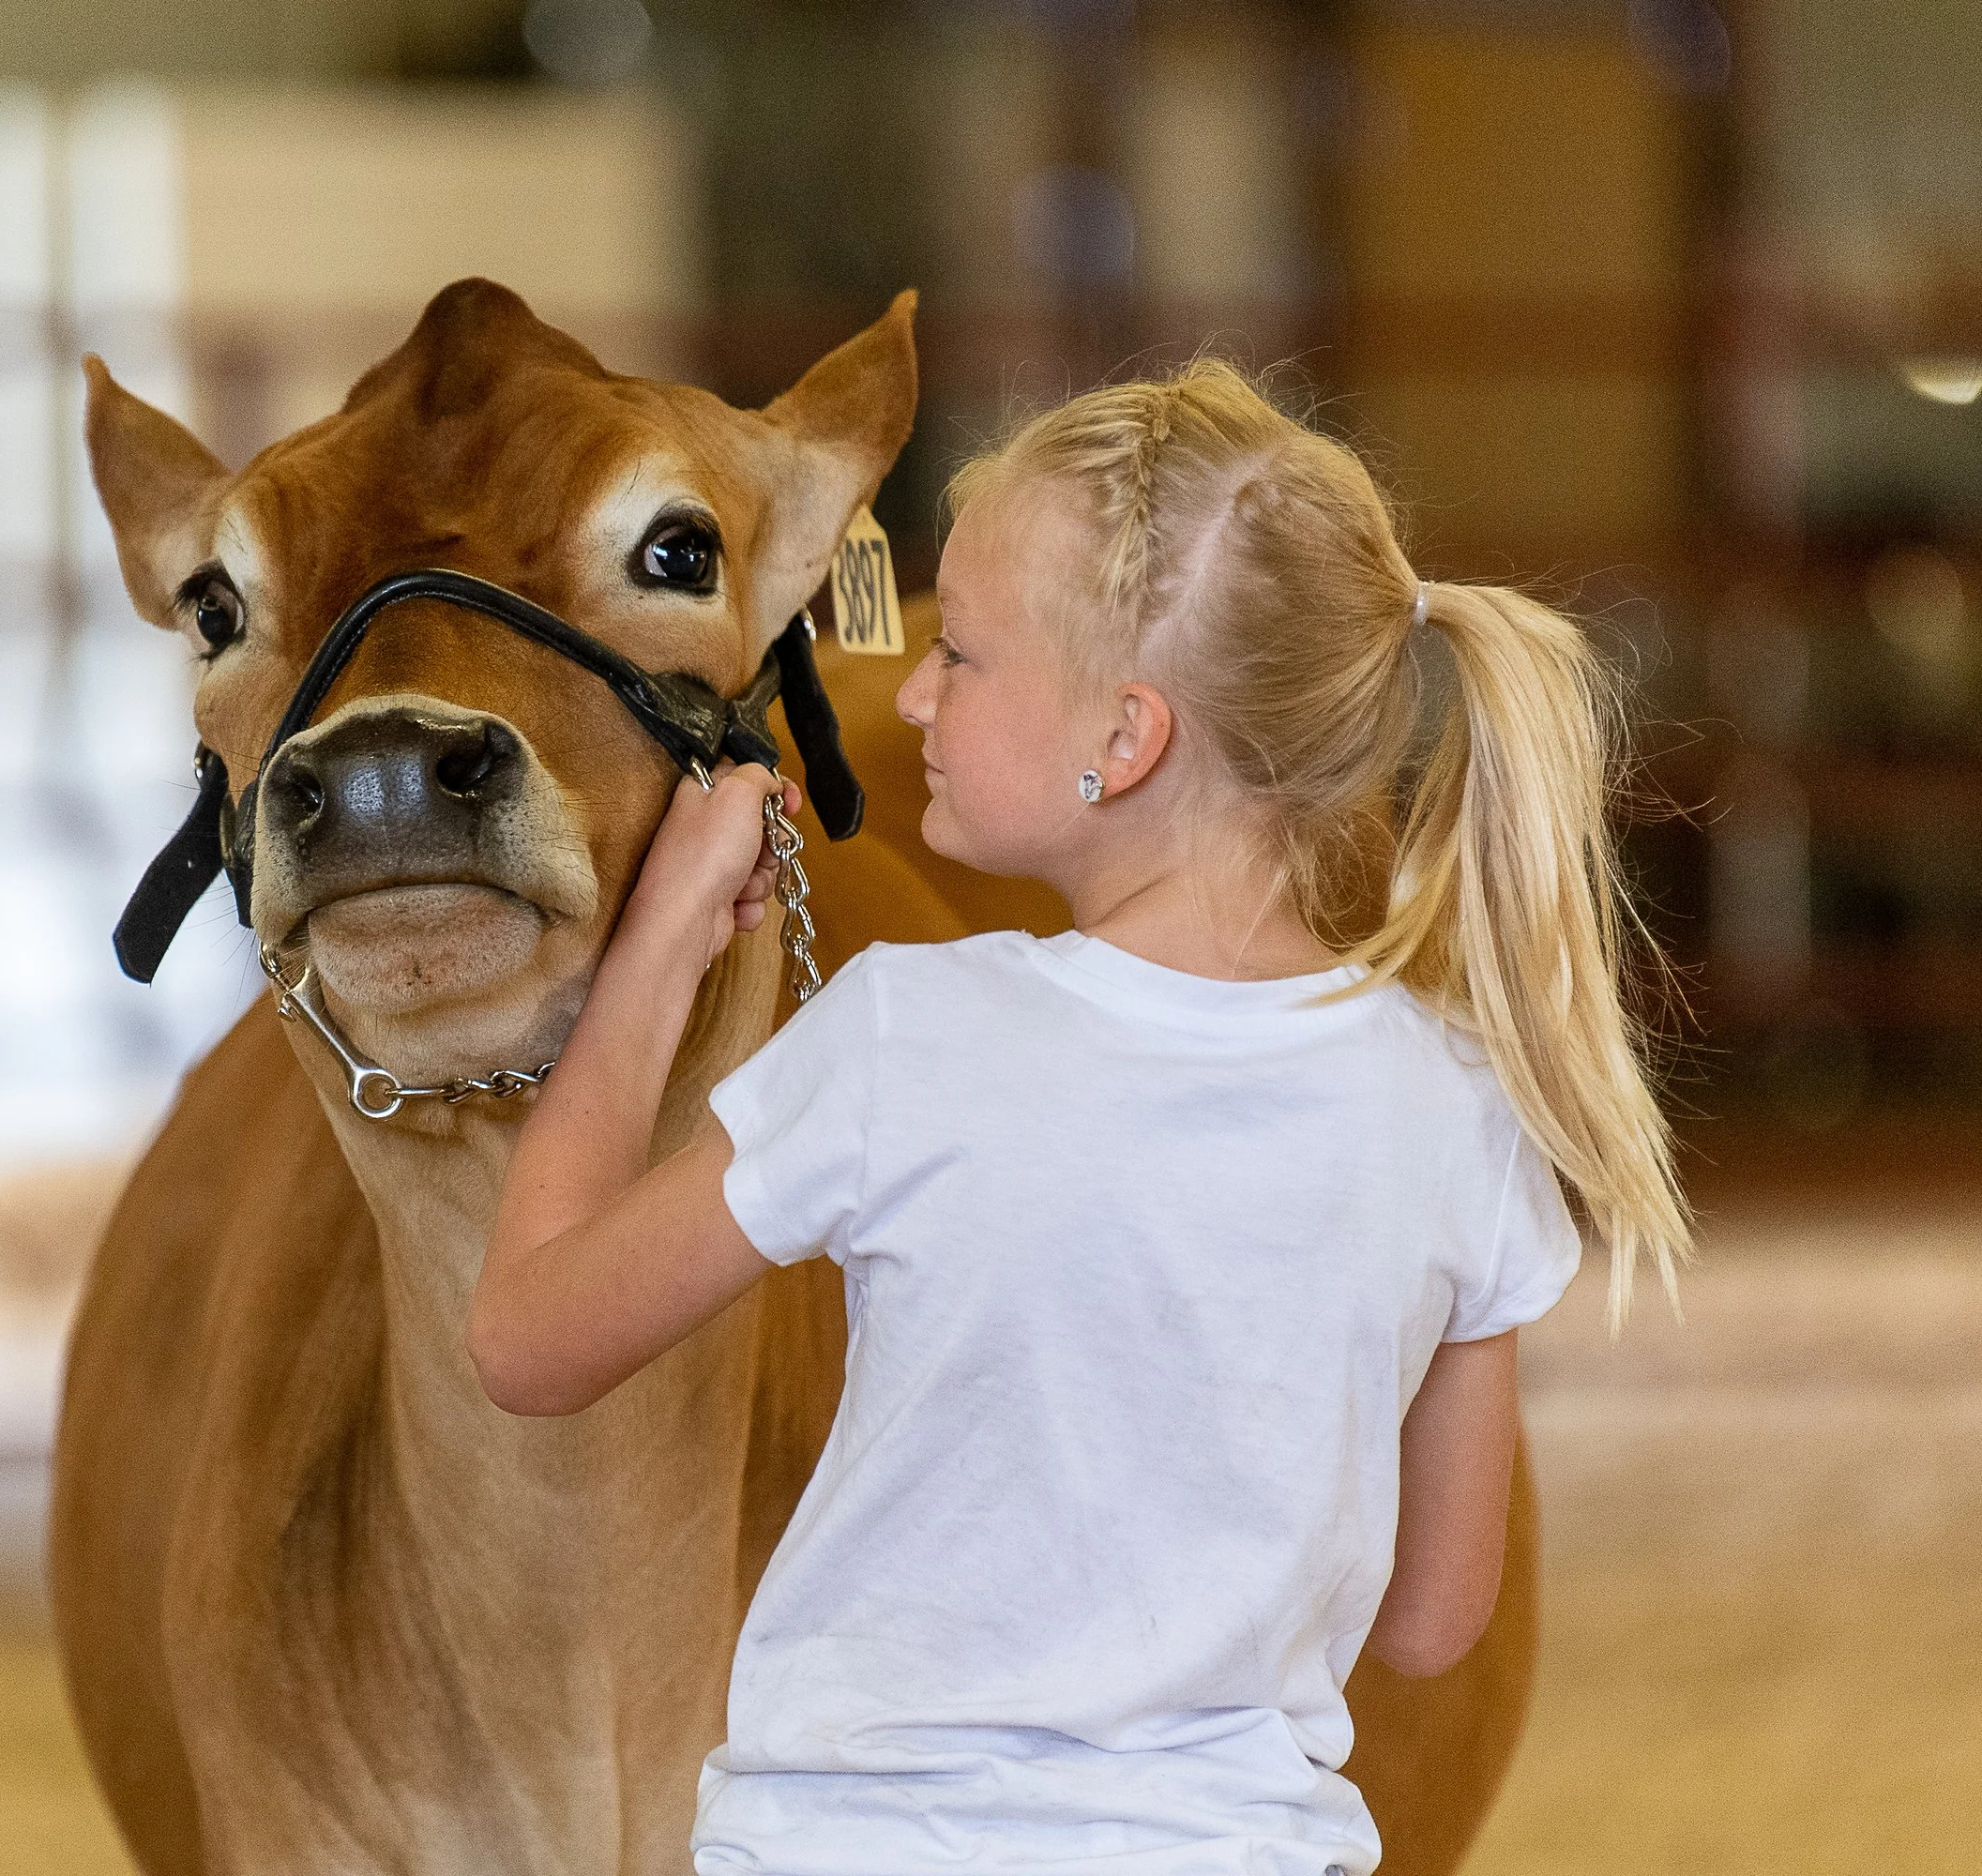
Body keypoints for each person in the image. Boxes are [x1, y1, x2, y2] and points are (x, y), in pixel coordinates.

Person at [467, 357, 1691, 1876]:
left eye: (963, 656)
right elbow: (1439, 1618)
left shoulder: (909, 1039)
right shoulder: (1455, 1104)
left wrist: (652, 952)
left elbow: (527, 1337)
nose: (909, 684)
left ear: (1127, 735)